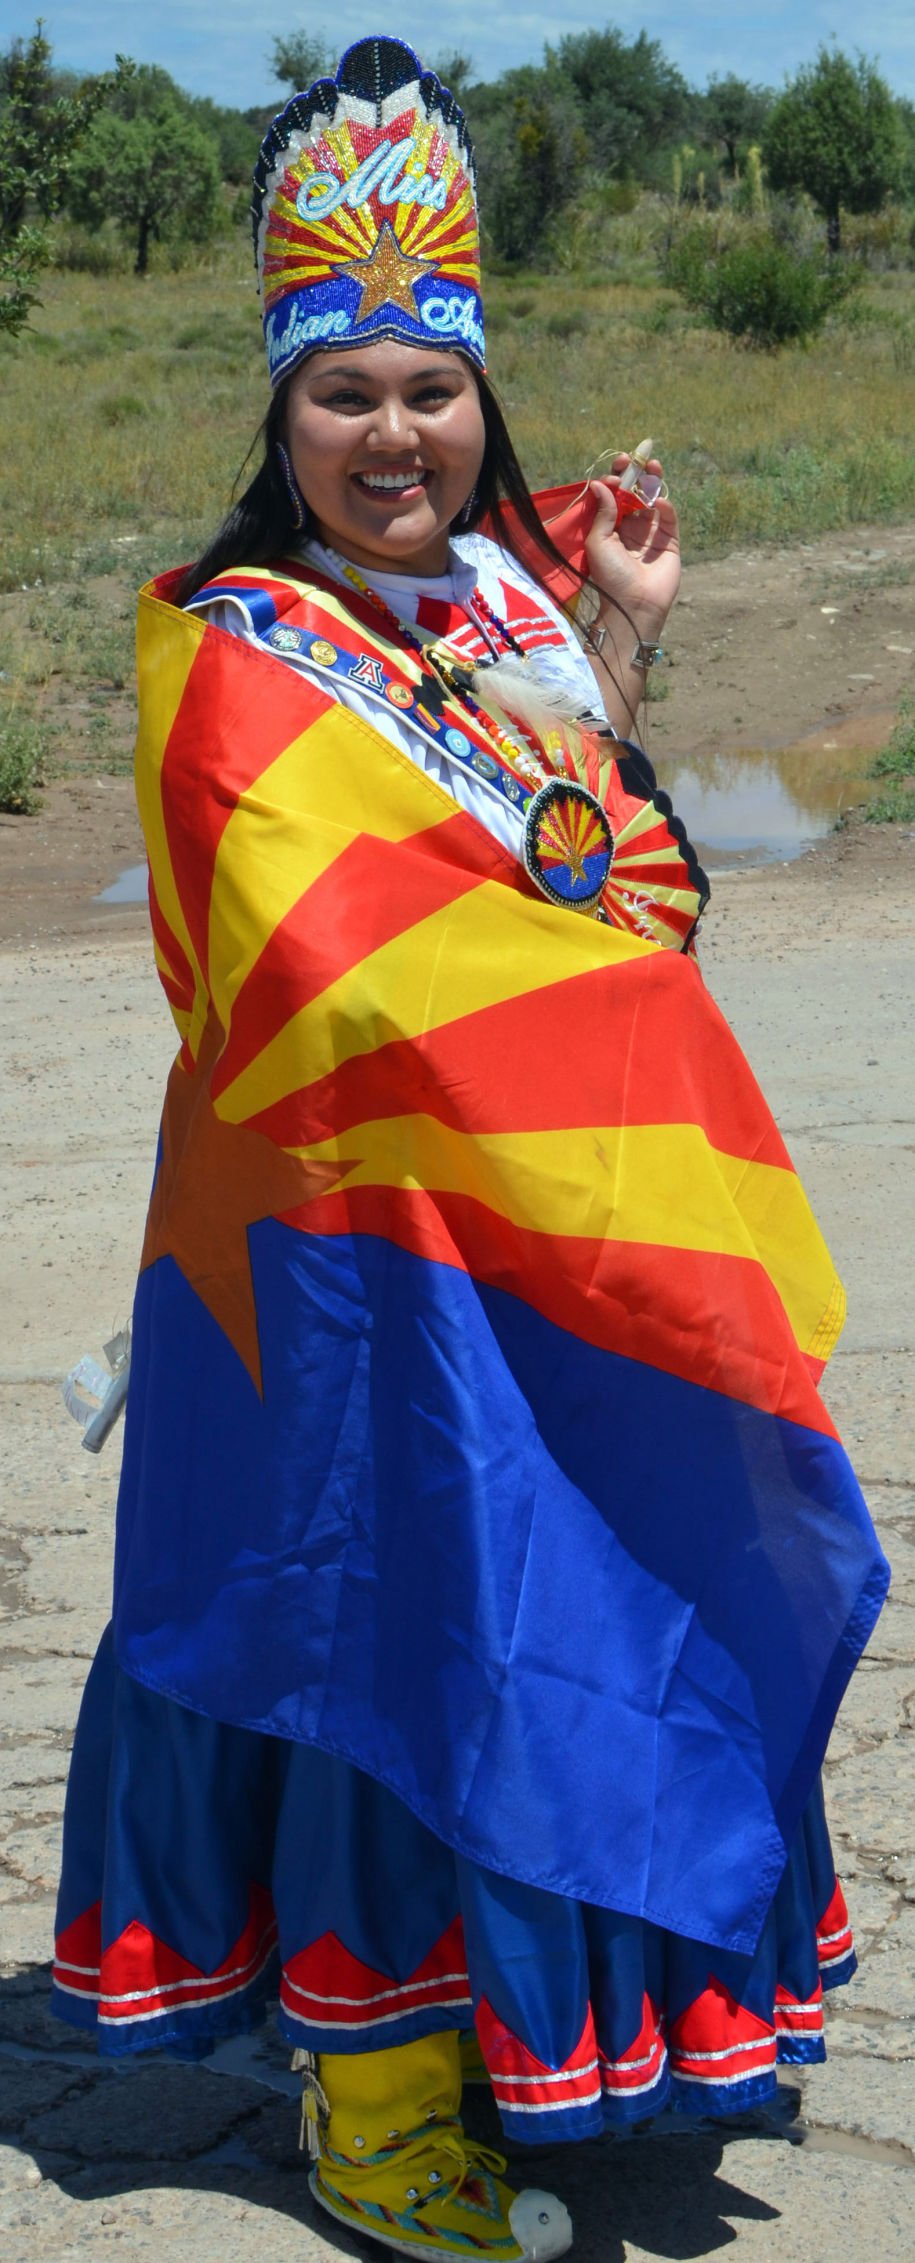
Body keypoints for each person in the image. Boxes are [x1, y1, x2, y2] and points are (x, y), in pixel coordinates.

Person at [52, 38, 888, 2263]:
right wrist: (583, 888)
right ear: (277, 414)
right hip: (338, 1268)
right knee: (376, 1631)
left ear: (479, 399)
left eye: (429, 388)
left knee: (569, 1593)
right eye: (346, 396)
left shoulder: (501, 621)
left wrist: (610, 649)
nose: (393, 435)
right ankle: (374, 2093)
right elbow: (349, 968)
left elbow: (632, 884)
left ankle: (553, 2037)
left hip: (541, 1234)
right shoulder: (229, 660)